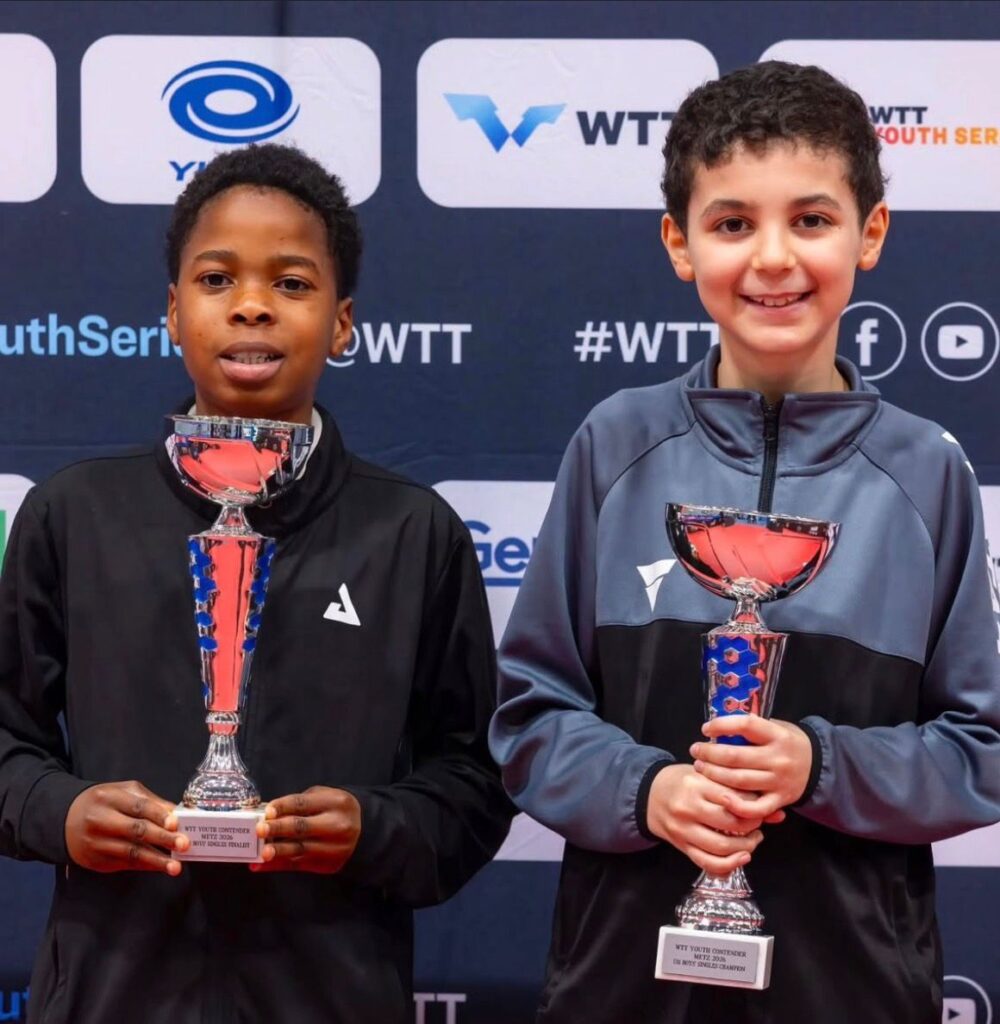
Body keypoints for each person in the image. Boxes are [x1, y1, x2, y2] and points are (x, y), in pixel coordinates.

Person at [490, 61, 1000, 1024]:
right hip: (623, 987)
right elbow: (530, 718)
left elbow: (983, 750)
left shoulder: (928, 473)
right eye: (732, 224)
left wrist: (823, 766)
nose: (773, 258)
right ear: (680, 244)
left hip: (851, 990)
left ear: (871, 232)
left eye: (811, 220)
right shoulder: (616, 445)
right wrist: (650, 790)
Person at [0, 143, 512, 1024]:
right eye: (216, 279)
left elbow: (474, 784)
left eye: (292, 284)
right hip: (111, 994)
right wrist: (64, 810)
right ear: (170, 310)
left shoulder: (411, 532)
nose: (250, 306)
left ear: (343, 324)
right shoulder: (72, 516)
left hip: (331, 994)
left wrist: (371, 827)